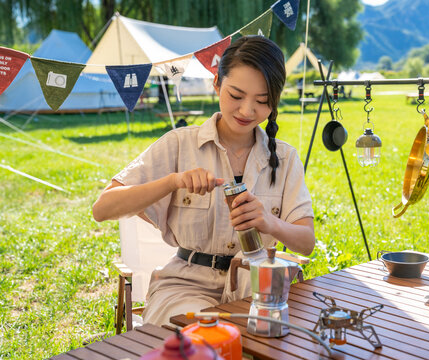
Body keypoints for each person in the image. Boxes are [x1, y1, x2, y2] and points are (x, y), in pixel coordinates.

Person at [92, 36, 315, 326]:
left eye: (262, 101)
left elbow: (306, 242)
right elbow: (102, 209)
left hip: (258, 288)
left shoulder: (285, 158)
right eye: (236, 96)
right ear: (216, 85)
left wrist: (269, 222)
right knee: (205, 341)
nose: (247, 111)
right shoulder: (180, 145)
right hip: (185, 286)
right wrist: (172, 182)